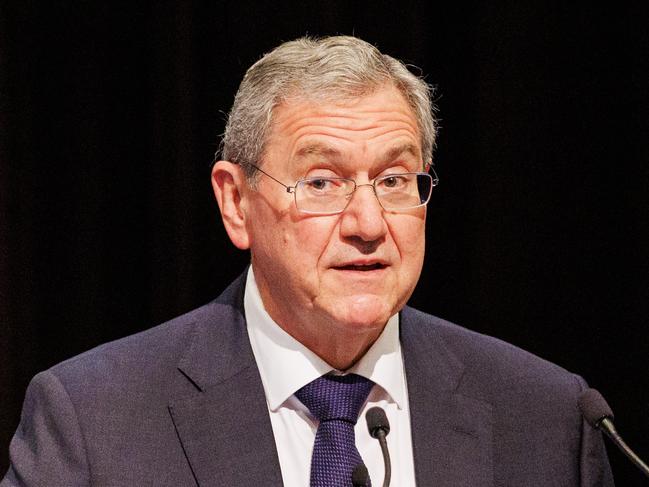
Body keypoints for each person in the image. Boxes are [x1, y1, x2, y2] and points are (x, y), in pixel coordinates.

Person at [2, 36, 613, 486]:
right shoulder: (94, 421)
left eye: (396, 180)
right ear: (237, 203)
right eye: (322, 183)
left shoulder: (546, 419)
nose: (369, 225)